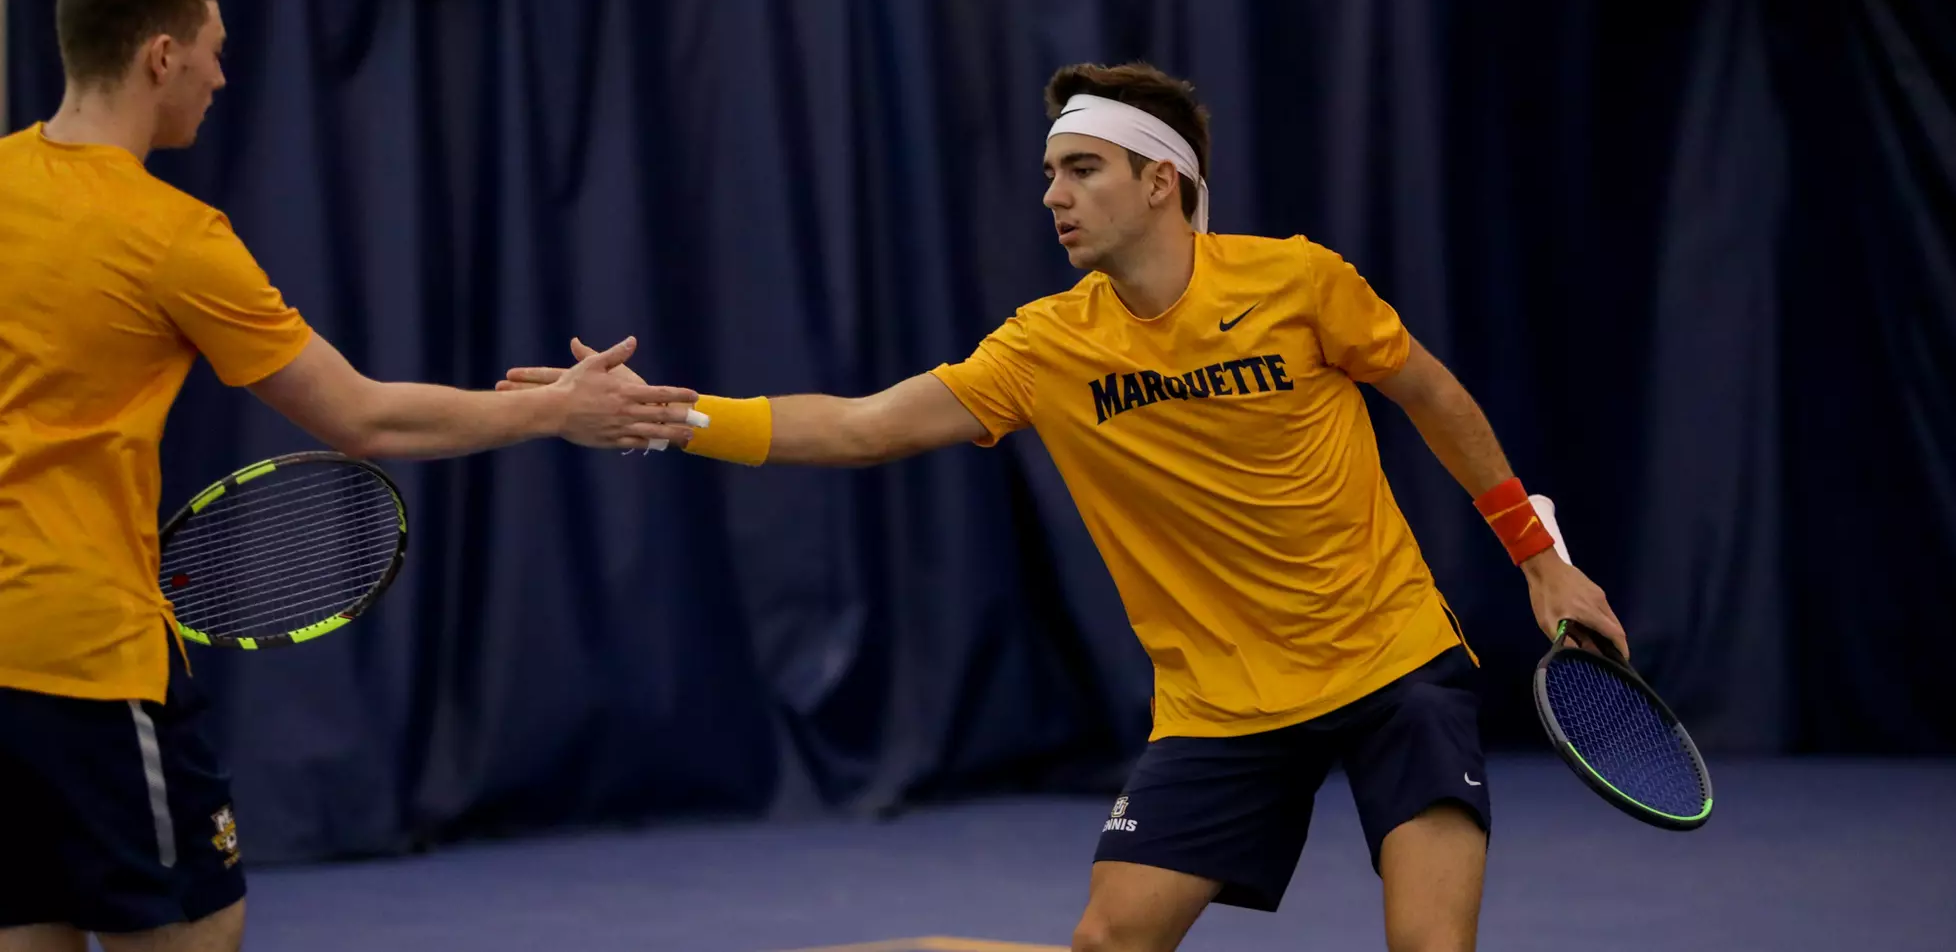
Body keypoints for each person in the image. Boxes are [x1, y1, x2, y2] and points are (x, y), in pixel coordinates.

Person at [499, 62, 1629, 952]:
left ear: (1159, 180)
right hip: (1219, 703)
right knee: (1109, 937)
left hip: (1392, 662)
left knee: (1433, 943)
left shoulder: (1300, 282)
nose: (1052, 196)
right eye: (1049, 174)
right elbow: (860, 425)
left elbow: (1434, 396)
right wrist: (671, 416)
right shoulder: (1045, 346)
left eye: (1079, 169)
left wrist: (1540, 556)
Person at [0, 0, 701, 952]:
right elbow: (363, 417)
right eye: (213, 49)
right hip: (88, 661)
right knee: (197, 932)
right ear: (160, 56)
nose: (221, 75)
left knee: (31, 927)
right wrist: (555, 410)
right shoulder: (174, 236)